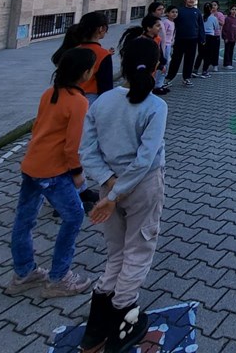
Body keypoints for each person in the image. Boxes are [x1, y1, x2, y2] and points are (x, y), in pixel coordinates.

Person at [77, 32, 168, 353]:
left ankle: (95, 328)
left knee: (116, 252)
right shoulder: (156, 106)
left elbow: (86, 150)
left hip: (110, 187)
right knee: (138, 250)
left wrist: (109, 184)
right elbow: (146, 158)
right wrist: (116, 192)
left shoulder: (103, 101)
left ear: (123, 66)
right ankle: (123, 321)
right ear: (156, 68)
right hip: (142, 187)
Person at [6, 47, 96, 299]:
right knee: (74, 216)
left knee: (24, 219)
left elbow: (37, 128)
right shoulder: (79, 102)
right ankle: (59, 277)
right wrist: (77, 172)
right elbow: (73, 144)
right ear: (85, 73)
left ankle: (23, 273)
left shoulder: (50, 93)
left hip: (32, 165)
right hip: (54, 171)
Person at [51, 11, 114, 104]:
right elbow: (106, 87)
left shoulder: (73, 51)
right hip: (91, 99)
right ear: (101, 28)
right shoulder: (103, 54)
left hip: (67, 96)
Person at [167, 0, 204, 87]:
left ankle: (186, 78)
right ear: (185, 0)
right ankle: (169, 78)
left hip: (193, 39)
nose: (191, 0)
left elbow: (200, 26)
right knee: (176, 59)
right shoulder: (179, 11)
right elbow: (173, 24)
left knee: (190, 60)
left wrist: (202, 38)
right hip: (180, 39)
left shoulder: (197, 12)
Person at [155, 7, 177, 95]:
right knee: (163, 64)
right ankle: (158, 85)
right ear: (167, 13)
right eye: (172, 12)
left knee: (167, 64)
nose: (174, 14)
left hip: (169, 45)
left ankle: (161, 83)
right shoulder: (165, 22)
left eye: (176, 12)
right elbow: (162, 35)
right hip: (165, 45)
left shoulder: (173, 22)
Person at [199, 2, 220, 77]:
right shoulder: (214, 18)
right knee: (208, 55)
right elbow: (216, 27)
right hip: (210, 37)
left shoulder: (201, 16)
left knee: (200, 54)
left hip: (202, 36)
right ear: (211, 9)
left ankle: (195, 70)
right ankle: (204, 71)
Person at [222, 4, 236, 69]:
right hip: (228, 38)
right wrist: (225, 37)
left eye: (235, 9)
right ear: (230, 10)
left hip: (234, 38)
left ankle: (230, 63)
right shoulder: (227, 19)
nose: (234, 11)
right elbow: (224, 29)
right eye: (232, 9)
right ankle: (226, 64)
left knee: (231, 51)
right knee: (227, 51)